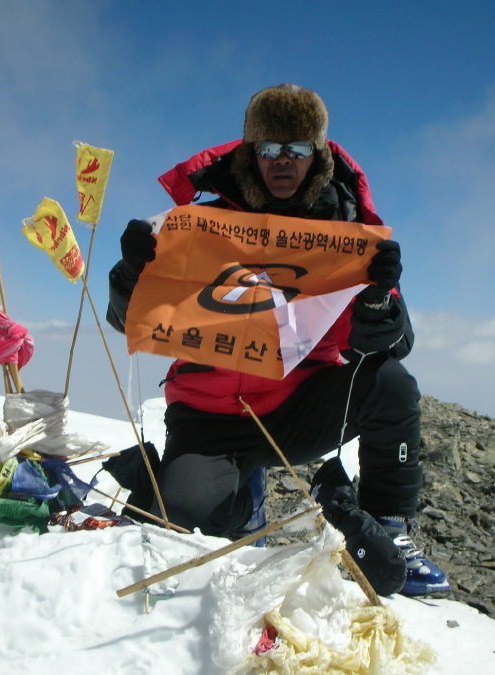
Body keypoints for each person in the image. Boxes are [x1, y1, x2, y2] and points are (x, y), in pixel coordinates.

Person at [105, 83, 449, 596]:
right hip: (209, 418)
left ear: (319, 156)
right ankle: (241, 501)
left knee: (391, 384)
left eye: (297, 149)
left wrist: (381, 301)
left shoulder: (347, 234)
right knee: (175, 530)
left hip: (297, 407)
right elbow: (127, 320)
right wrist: (131, 274)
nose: (282, 161)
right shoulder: (199, 225)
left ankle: (389, 528)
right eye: (269, 149)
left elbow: (389, 346)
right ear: (251, 153)